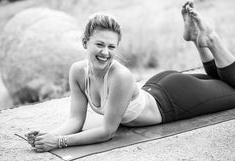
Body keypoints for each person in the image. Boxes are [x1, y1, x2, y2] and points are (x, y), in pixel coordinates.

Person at [25, 1, 235, 152]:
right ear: (84, 43)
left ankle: (211, 39)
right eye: (99, 44)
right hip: (160, 87)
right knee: (223, 83)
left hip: (176, 100)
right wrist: (49, 136)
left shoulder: (120, 76)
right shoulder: (77, 71)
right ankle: (199, 41)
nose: (105, 52)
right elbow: (75, 120)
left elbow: (107, 131)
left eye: (111, 46)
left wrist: (60, 142)